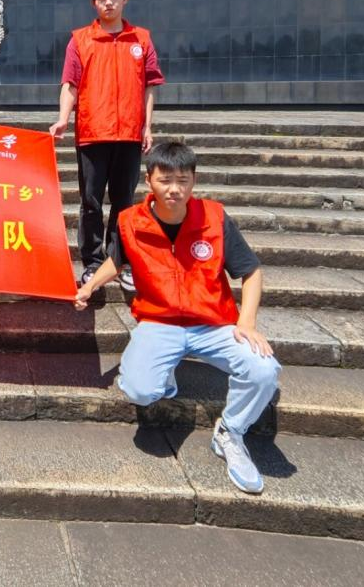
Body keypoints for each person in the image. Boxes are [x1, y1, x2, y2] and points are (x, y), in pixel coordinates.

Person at [74, 141, 280, 494]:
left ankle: (231, 431)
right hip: (159, 322)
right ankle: (164, 374)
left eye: (183, 180)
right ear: (149, 181)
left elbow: (251, 271)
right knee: (140, 390)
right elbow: (117, 260)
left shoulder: (214, 217)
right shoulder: (130, 221)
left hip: (214, 324)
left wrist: (246, 323)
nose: (174, 189)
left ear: (193, 181)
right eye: (165, 180)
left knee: (265, 370)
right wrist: (90, 286)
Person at [50, 0, 164, 285]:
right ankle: (92, 262)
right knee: (90, 202)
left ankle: (119, 263)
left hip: (129, 133)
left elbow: (149, 86)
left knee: (124, 202)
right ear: (94, 2)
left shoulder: (141, 39)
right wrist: (63, 118)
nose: (108, 3)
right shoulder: (80, 39)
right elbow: (70, 85)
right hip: (92, 133)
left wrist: (147, 126)